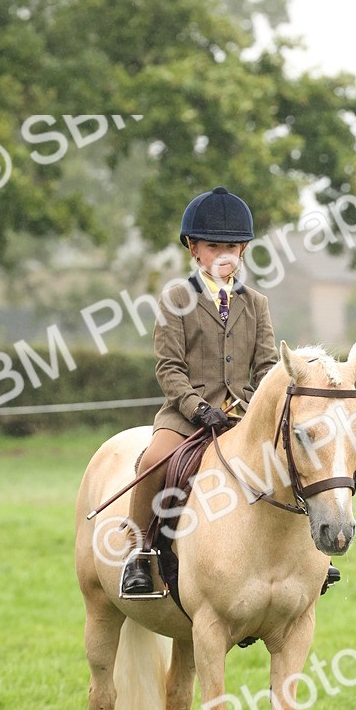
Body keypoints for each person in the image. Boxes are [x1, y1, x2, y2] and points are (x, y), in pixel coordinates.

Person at [119, 185, 340, 597]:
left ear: (242, 252)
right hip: (186, 418)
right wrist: (198, 408)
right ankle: (140, 553)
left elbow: (264, 367)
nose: (224, 255)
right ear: (193, 249)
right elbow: (169, 368)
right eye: (213, 246)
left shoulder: (255, 303)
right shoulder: (176, 299)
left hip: (242, 417)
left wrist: (260, 404)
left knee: (294, 461)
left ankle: (310, 559)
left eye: (233, 248)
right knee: (154, 461)